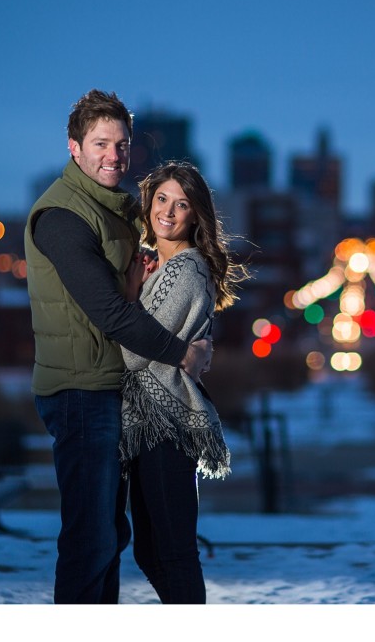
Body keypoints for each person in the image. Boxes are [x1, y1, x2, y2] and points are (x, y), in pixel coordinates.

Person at [24, 90, 211, 605]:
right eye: (101, 143)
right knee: (91, 538)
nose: (114, 155)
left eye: (122, 144)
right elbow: (109, 312)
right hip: (81, 391)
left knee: (111, 535)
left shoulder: (123, 208)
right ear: (74, 148)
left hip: (117, 391)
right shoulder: (61, 216)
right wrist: (184, 353)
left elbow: (160, 282)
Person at [119, 160, 248, 604]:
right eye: (161, 200)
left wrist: (129, 295)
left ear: (196, 216)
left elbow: (133, 353)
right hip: (151, 424)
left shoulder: (186, 271)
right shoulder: (161, 267)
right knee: (151, 552)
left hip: (166, 425)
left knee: (172, 554)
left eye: (182, 204)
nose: (168, 213)